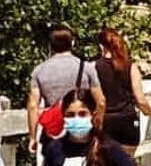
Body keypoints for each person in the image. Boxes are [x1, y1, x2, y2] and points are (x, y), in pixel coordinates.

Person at [27, 23, 105, 154]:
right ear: (72, 43)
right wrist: (98, 126)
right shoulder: (86, 67)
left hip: (54, 131)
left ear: (51, 45)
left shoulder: (39, 71)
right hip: (82, 130)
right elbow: (101, 102)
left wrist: (32, 137)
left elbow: (33, 106)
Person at [95, 28, 151, 156]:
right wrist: (149, 112)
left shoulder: (94, 68)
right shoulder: (130, 67)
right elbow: (140, 99)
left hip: (106, 121)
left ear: (101, 46)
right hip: (127, 120)